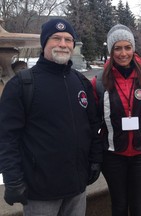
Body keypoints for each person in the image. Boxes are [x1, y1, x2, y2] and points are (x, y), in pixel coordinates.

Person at [0, 18, 103, 215]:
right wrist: (13, 179)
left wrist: (95, 159)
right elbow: (7, 137)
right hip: (40, 191)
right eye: (56, 38)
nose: (62, 44)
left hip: (77, 187)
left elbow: (93, 126)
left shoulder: (80, 82)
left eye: (68, 39)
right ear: (44, 42)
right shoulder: (22, 85)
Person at [91, 24, 141, 216]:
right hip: (113, 155)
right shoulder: (98, 82)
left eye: (127, 47)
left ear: (133, 49)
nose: (123, 53)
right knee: (119, 205)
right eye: (117, 48)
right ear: (110, 51)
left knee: (140, 206)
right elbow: (92, 122)